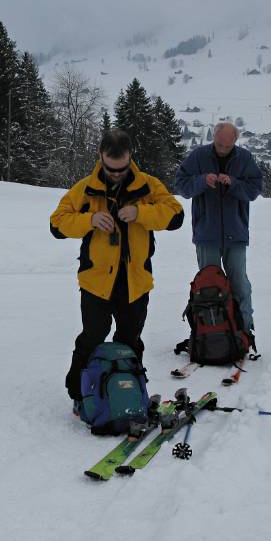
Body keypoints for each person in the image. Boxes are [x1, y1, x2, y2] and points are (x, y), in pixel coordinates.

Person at [50, 129, 184, 403]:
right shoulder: (86, 188)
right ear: (101, 157)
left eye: (121, 169)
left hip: (136, 282)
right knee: (92, 338)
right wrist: (89, 220)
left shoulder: (148, 186)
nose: (115, 174)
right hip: (96, 282)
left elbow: (176, 215)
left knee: (130, 341)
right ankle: (79, 394)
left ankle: (131, 393)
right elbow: (57, 224)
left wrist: (141, 213)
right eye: (111, 169)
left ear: (130, 158)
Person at [174, 122, 262, 344]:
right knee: (208, 286)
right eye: (219, 144)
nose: (223, 148)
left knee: (240, 283)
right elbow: (182, 186)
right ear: (214, 138)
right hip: (206, 234)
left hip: (236, 233)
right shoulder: (198, 156)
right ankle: (210, 331)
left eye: (227, 145)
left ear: (235, 141)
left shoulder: (244, 159)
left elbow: (254, 190)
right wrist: (202, 181)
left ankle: (243, 331)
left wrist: (233, 183)